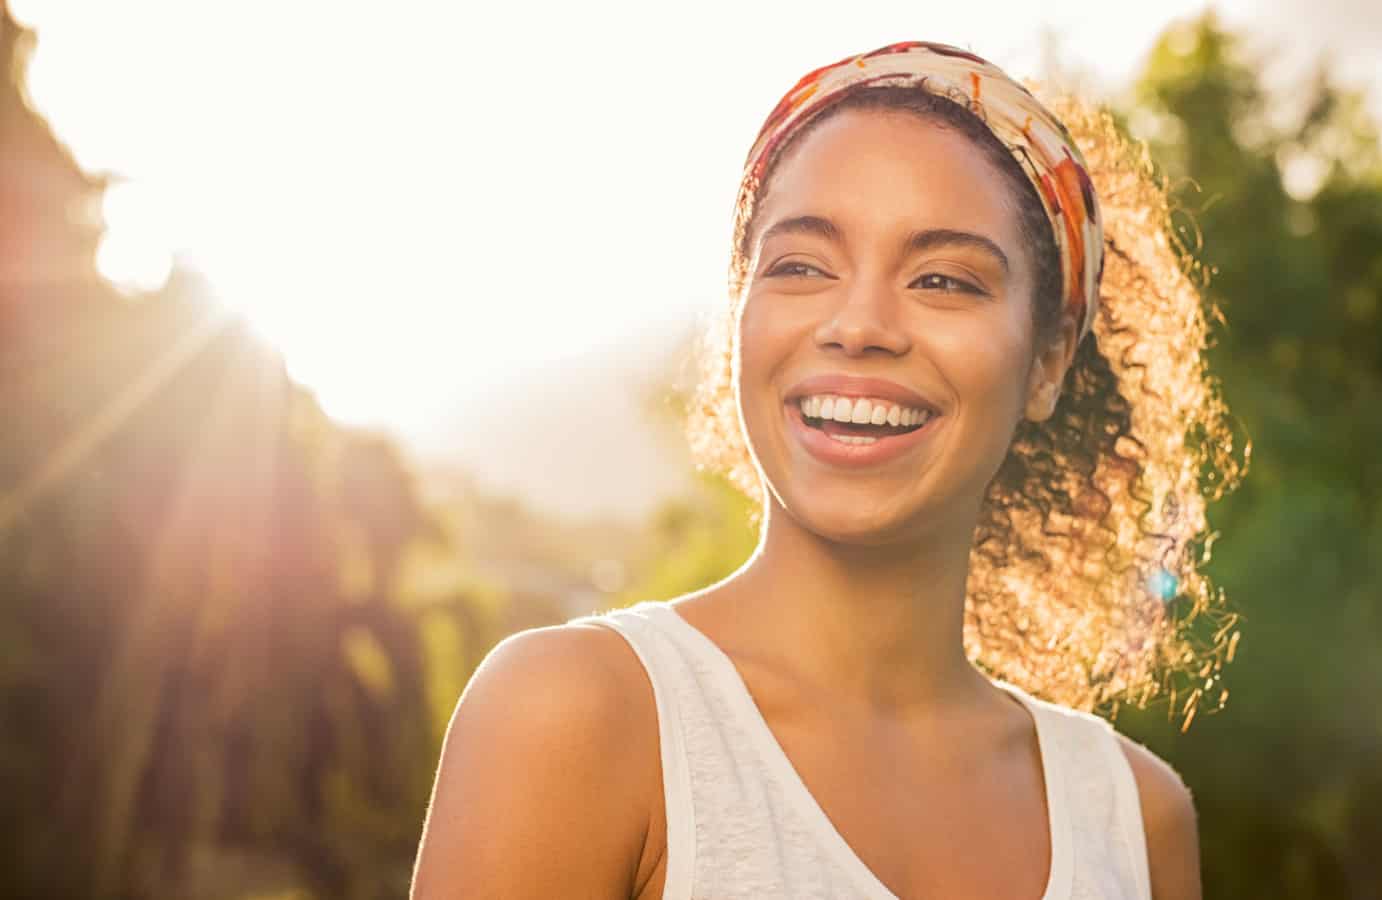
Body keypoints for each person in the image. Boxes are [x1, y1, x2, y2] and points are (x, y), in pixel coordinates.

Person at [412, 40, 1240, 900]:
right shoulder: (575, 715)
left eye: (944, 280)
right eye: (801, 265)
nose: (858, 324)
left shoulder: (1136, 822)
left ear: (1047, 362)